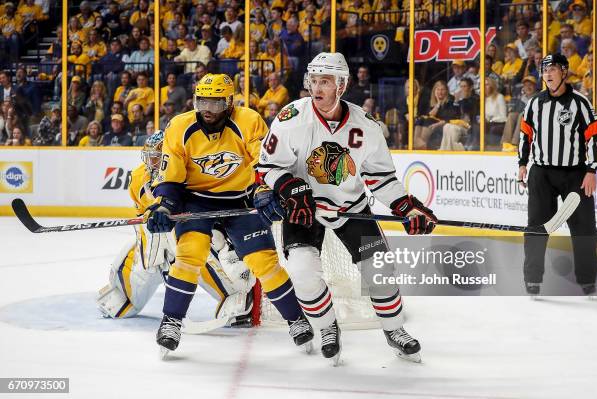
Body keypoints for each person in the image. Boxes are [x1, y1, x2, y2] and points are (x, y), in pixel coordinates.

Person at [255, 53, 437, 364]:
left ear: (342, 85)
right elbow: (267, 167)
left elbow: (380, 177)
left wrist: (407, 207)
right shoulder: (291, 117)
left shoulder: (365, 125)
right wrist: (288, 187)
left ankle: (394, 331)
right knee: (302, 273)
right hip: (304, 210)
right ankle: (327, 328)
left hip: (350, 207)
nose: (317, 87)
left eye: (324, 81)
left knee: (380, 269)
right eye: (313, 80)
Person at [144, 74, 314, 357]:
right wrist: (163, 205)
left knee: (265, 263)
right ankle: (171, 321)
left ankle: (296, 320)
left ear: (229, 102)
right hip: (196, 202)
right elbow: (171, 178)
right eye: (202, 101)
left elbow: (263, 162)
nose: (207, 109)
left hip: (240, 200)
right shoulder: (179, 126)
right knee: (190, 256)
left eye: (215, 102)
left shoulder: (248, 120)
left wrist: (264, 190)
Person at [97, 131, 256, 326]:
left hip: (187, 233)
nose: (152, 163)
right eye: (151, 158)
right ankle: (124, 293)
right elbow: (147, 213)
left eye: (157, 159)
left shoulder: (190, 173)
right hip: (153, 236)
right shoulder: (140, 176)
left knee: (202, 256)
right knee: (141, 270)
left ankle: (235, 295)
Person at [518, 53, 597, 296]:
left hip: (575, 175)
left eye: (553, 69)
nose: (548, 74)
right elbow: (525, 134)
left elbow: (596, 136)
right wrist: (522, 164)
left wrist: (592, 170)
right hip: (542, 174)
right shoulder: (535, 103)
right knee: (536, 227)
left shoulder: (580, 102)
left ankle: (587, 281)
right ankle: (532, 279)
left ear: (564, 72)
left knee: (584, 229)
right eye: (545, 70)